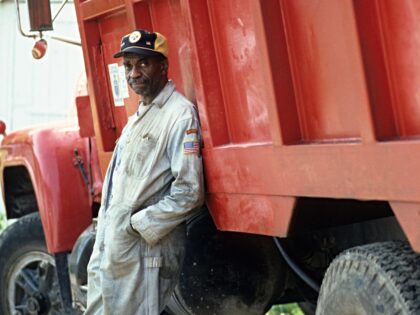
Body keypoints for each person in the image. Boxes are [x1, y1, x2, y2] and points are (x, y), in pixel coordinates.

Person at [84, 29, 205, 315]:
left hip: (144, 253)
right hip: (113, 249)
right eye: (128, 66)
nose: (133, 73)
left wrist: (139, 225)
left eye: (143, 63)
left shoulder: (179, 114)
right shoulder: (138, 117)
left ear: (163, 65)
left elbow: (189, 191)